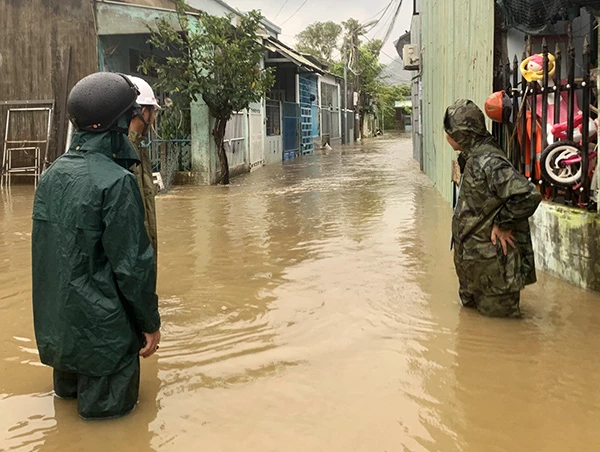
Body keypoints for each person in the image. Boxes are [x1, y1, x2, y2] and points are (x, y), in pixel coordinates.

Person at [31, 72, 161, 419]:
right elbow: (133, 266)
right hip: (107, 342)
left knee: (69, 424)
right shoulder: (117, 182)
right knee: (110, 431)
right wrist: (150, 322)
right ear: (119, 123)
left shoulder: (50, 176)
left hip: (61, 337)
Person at [445, 99, 542, 318]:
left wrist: (503, 223)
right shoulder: (471, 157)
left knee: (503, 336)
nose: (447, 136)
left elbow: (528, 195)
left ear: (462, 134)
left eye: (449, 131)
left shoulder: (489, 161)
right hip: (473, 267)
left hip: (494, 270)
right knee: (471, 336)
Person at [127, 76, 160, 264]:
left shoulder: (137, 148)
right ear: (143, 112)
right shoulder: (126, 154)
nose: (154, 119)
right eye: (153, 112)